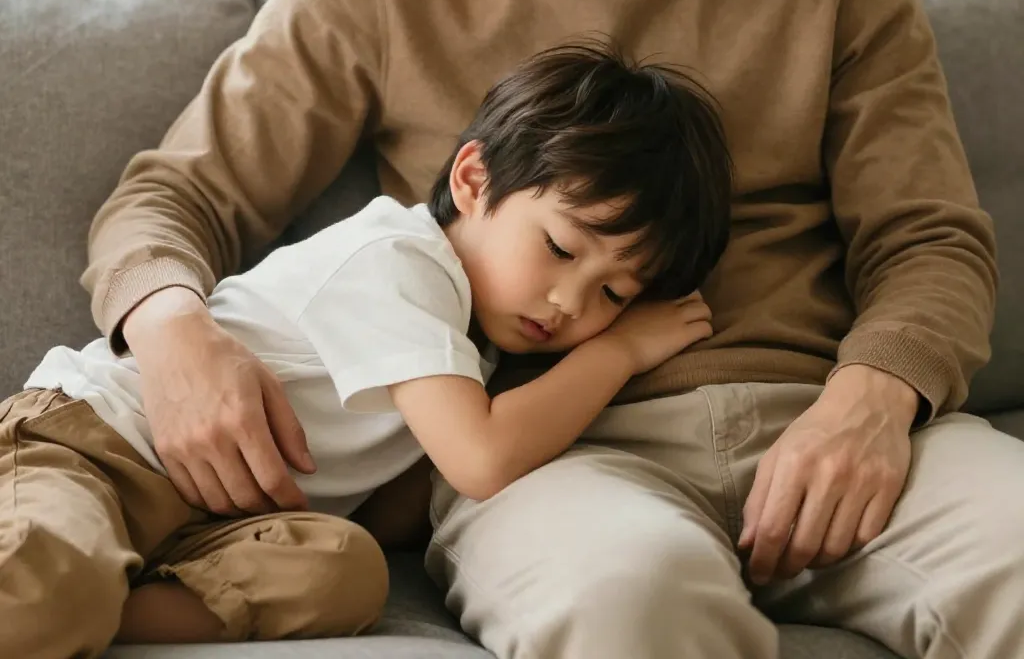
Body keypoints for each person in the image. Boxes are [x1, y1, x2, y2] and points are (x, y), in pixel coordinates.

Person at [62, 0, 1024, 657]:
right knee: (630, 602)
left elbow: (928, 237)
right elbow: (172, 195)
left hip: (836, 415)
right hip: (557, 457)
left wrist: (869, 405)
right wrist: (174, 335)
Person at [0, 45, 731, 656]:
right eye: (562, 249)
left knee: (345, 571)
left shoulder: (468, 350)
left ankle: (95, 607)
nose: (571, 302)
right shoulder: (400, 262)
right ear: (473, 181)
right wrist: (618, 352)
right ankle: (69, 601)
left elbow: (384, 517)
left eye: (614, 294)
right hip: (92, 448)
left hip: (209, 524)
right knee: (36, 593)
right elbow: (481, 459)